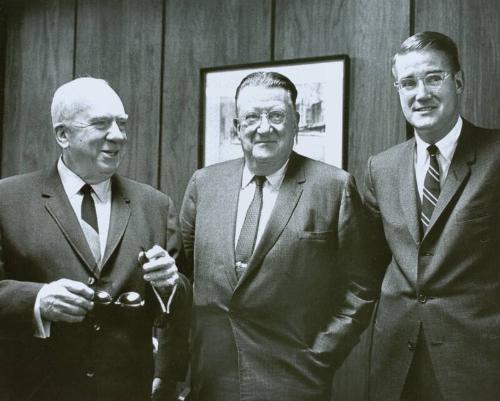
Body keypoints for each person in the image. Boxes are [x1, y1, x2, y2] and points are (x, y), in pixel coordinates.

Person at [180, 71, 381, 401]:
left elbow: (360, 287)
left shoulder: (333, 187)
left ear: (296, 122)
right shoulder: (204, 184)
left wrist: (320, 356)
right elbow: (185, 273)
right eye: (252, 117)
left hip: (295, 380)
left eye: (276, 116)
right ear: (235, 127)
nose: (264, 127)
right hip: (211, 380)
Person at [0, 77, 191, 401]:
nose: (117, 136)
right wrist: (37, 300)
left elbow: (184, 298)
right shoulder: (7, 199)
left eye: (122, 124)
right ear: (63, 134)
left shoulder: (155, 205)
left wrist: (171, 284)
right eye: (101, 124)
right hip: (34, 389)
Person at [363, 31, 500, 401]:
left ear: (458, 81)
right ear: (398, 90)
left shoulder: (496, 156)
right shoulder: (381, 167)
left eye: (433, 78)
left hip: (479, 364)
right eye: (408, 82)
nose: (420, 93)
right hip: (396, 362)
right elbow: (368, 267)